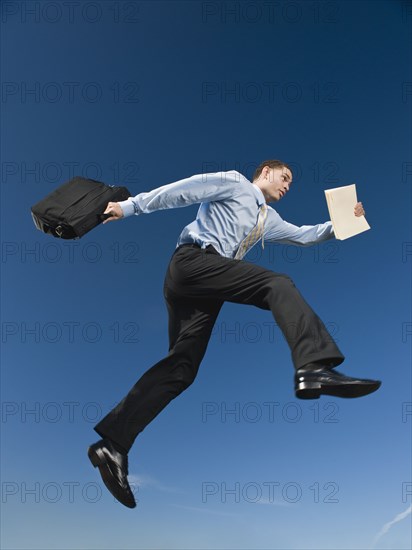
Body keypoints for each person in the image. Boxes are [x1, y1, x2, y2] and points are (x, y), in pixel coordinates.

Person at [87, 159, 381, 508]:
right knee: (277, 284)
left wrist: (346, 221)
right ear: (266, 172)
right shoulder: (234, 183)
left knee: (182, 368)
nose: (287, 185)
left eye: (291, 182)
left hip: (207, 287)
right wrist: (128, 207)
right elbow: (182, 191)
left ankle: (113, 444)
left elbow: (304, 235)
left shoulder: (268, 219)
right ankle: (314, 366)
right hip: (193, 262)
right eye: (284, 177)